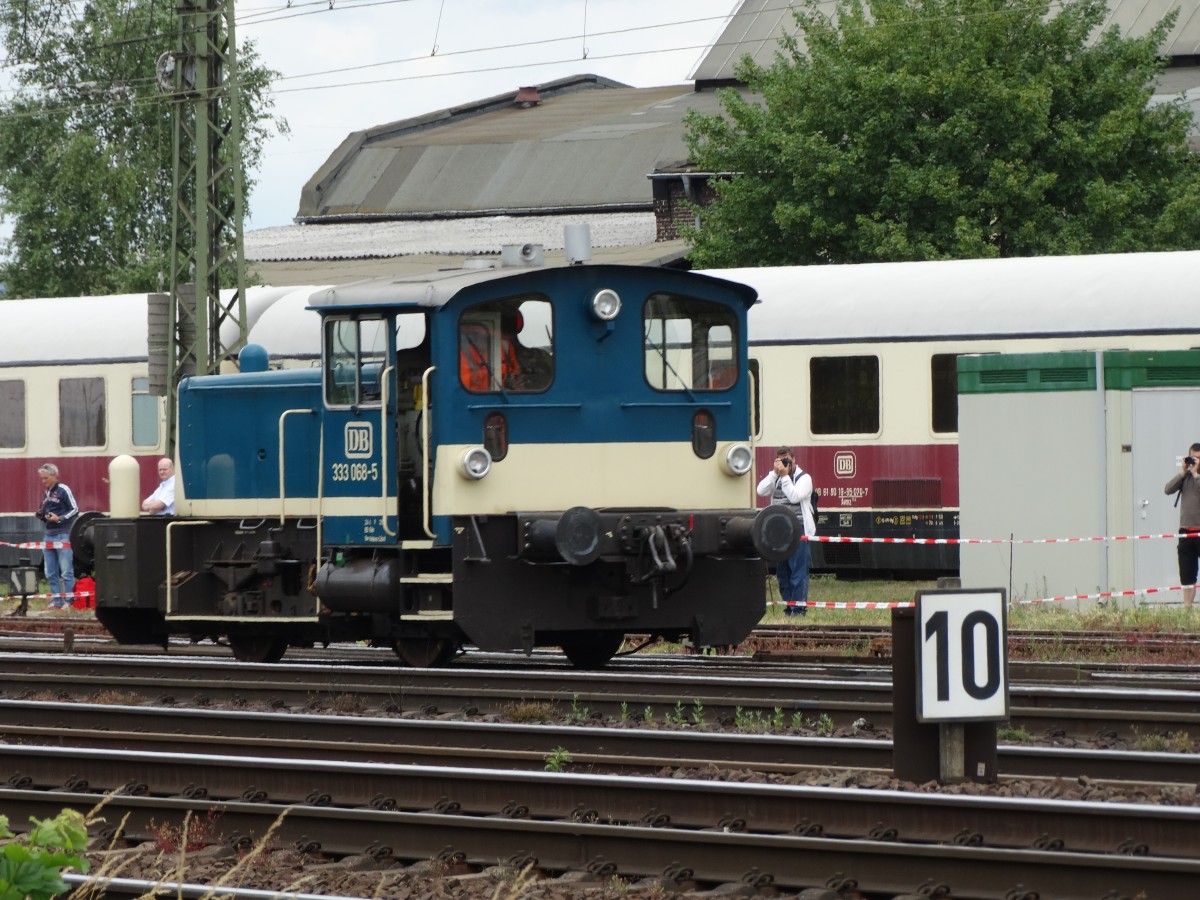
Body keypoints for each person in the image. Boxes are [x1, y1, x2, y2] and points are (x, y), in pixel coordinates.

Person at [756, 446, 817, 616]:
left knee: (798, 572)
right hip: (779, 531)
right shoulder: (776, 477)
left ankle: (798, 610)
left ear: (794, 459)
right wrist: (775, 473)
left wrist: (784, 476)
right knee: (783, 573)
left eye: (787, 459)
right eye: (780, 460)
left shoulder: (804, 478)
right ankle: (789, 607)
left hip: (799, 529)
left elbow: (794, 496)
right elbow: (760, 490)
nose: (784, 463)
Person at [36, 463, 78, 609]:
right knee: (50, 571)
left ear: (54, 475)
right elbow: (45, 510)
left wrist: (59, 518)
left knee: (66, 570)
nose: (44, 482)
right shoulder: (46, 492)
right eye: (42, 479)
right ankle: (56, 600)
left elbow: (75, 509)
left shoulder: (63, 490)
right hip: (48, 535)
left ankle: (70, 601)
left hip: (63, 534)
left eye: (46, 478)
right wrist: (41, 514)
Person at [1164, 442, 1200, 609]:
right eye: (1193, 458)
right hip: (1186, 532)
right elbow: (1168, 489)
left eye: (1199, 459)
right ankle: (1187, 610)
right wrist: (1182, 472)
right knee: (1187, 577)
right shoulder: (1185, 477)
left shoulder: (1196, 477)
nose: (1196, 462)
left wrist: (1195, 474)